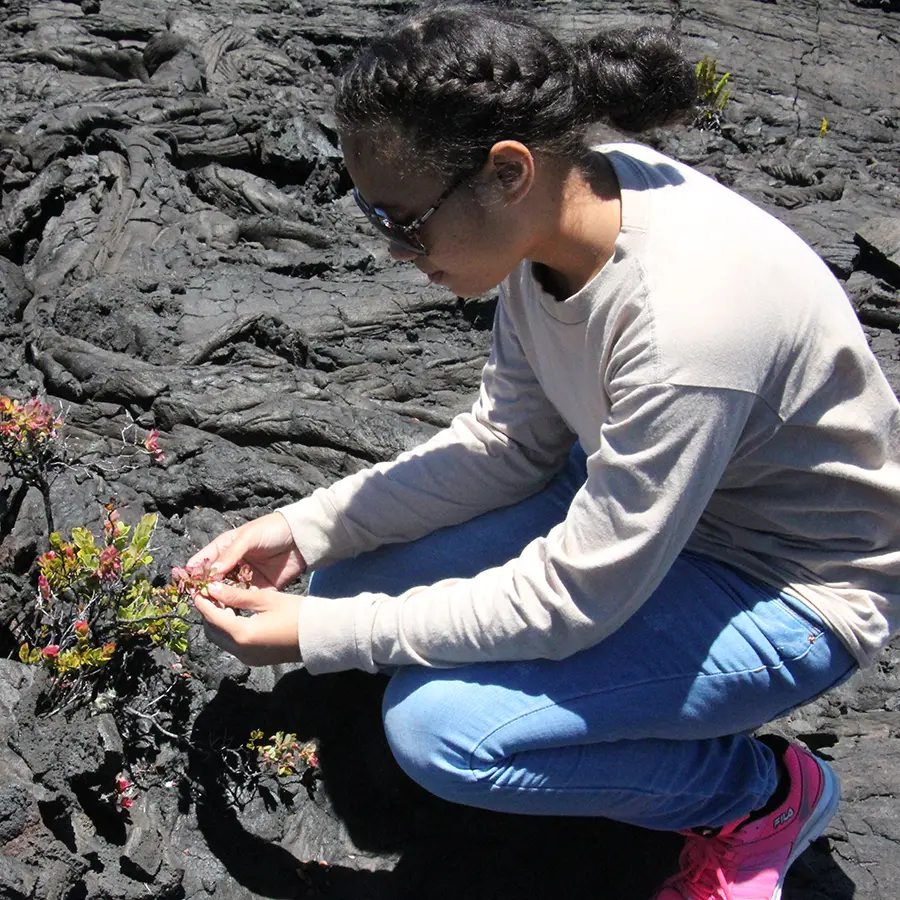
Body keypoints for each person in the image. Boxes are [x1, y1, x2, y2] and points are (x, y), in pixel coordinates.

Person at [189, 4, 900, 899]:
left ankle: (759, 796)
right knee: (343, 578)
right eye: (371, 212)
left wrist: (328, 635)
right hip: (641, 502)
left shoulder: (690, 326)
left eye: (405, 221)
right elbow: (508, 444)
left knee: (445, 734)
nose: (391, 248)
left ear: (508, 170)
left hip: (786, 587)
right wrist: (307, 529)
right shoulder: (563, 218)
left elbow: (578, 596)